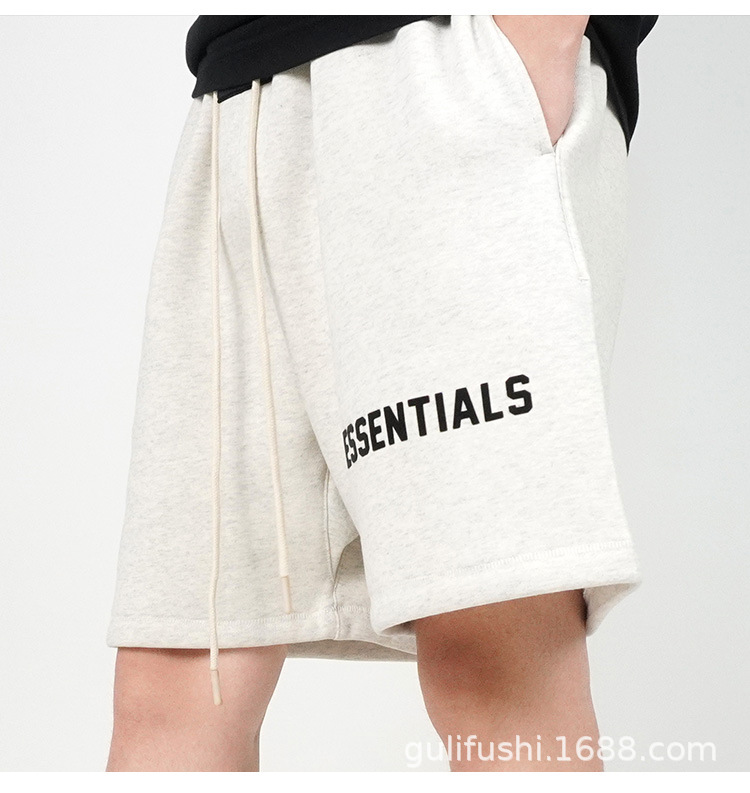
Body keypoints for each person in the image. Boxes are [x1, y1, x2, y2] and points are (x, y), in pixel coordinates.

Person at [105, 14, 658, 772]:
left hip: (435, 63)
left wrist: (533, 38)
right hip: (240, 99)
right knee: (175, 681)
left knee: (497, 664)